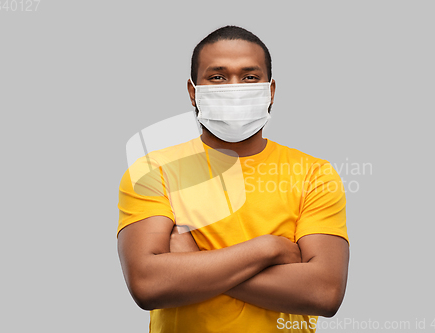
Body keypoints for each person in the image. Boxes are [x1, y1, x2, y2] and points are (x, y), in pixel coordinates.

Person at [117, 25, 349, 333]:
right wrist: (268, 250)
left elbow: (324, 292)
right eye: (218, 77)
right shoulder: (152, 170)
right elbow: (148, 284)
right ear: (192, 91)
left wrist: (195, 264)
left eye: (250, 77)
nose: (235, 88)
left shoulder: (314, 174)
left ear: (271, 90)